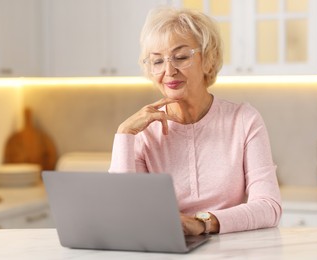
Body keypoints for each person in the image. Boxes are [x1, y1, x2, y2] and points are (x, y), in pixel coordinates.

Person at [109, 7, 282, 235]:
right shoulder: (143, 133)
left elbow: (269, 207)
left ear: (208, 60)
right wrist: (124, 135)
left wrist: (203, 224)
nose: (169, 70)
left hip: (231, 249)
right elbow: (124, 215)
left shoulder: (243, 120)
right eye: (157, 61)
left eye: (180, 57)